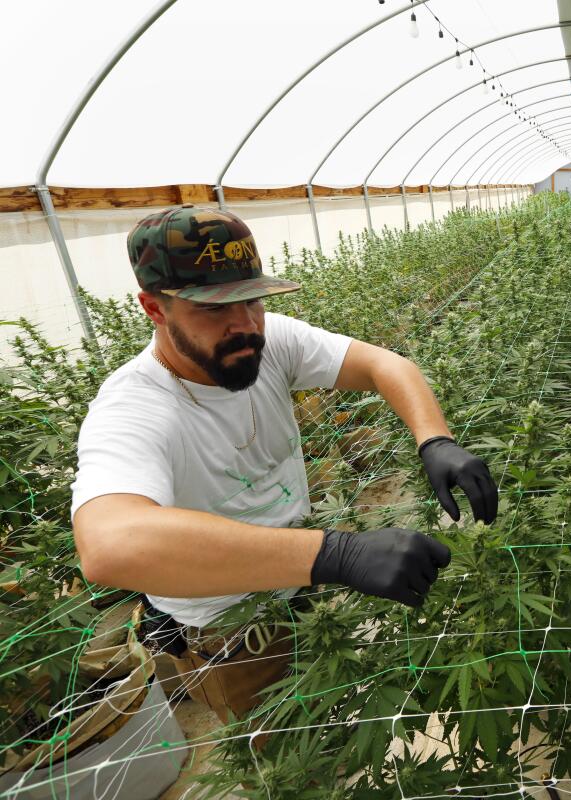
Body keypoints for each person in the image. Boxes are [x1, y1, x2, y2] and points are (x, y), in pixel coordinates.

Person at [70, 205, 498, 725]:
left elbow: (384, 364)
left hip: (298, 584)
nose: (244, 325)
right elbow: (111, 544)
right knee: (288, 761)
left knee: (334, 725)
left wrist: (435, 441)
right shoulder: (134, 408)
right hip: (228, 631)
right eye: (212, 309)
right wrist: (334, 553)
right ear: (154, 309)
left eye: (252, 301)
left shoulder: (268, 341)